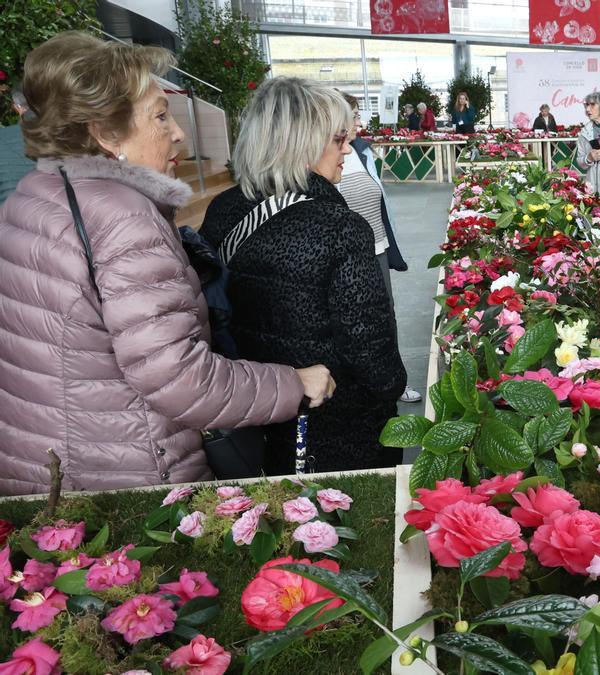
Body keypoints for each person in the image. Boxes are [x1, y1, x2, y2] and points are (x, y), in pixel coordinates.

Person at [0, 33, 336, 496]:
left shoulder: (33, 197)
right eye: (160, 115)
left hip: (45, 467)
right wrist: (292, 383)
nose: (178, 132)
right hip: (127, 477)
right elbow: (178, 377)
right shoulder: (123, 218)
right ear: (104, 132)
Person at [201, 78, 407, 475]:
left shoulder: (223, 209)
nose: (347, 148)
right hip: (336, 425)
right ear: (303, 142)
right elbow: (370, 348)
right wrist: (391, 390)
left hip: (255, 409)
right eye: (338, 138)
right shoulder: (339, 227)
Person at [337, 92, 423, 404]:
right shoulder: (325, 160)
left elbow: (379, 201)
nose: (360, 122)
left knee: (387, 317)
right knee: (359, 322)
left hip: (377, 248)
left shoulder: (361, 152)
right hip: (349, 257)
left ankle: (393, 381)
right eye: (355, 116)